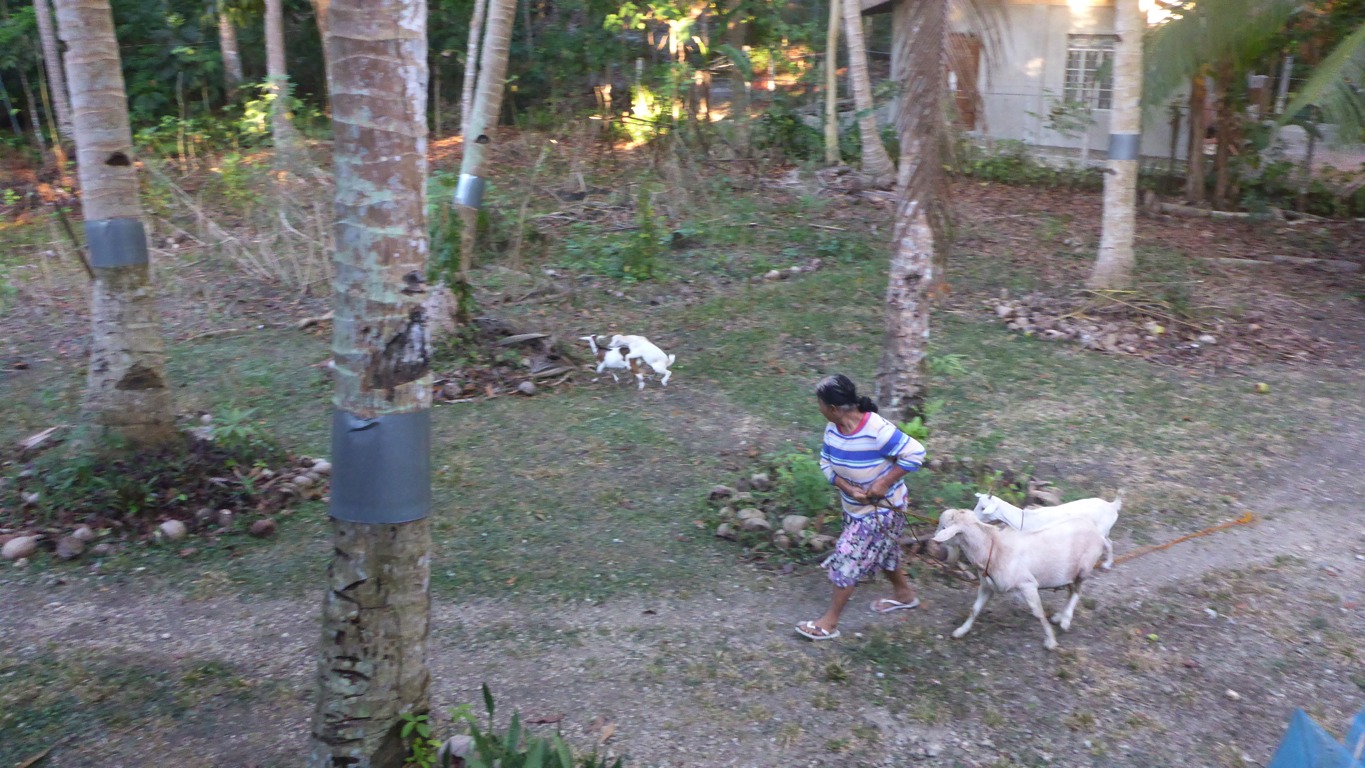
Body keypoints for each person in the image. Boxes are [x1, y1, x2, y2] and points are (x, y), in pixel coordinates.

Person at [796, 374, 926, 641]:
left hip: (884, 511)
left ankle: (829, 623)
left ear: (832, 408)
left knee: (847, 558)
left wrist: (882, 483)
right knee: (886, 551)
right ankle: (904, 595)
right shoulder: (833, 428)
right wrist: (847, 487)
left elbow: (916, 453)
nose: (817, 407)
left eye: (819, 403)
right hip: (854, 508)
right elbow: (825, 463)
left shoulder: (877, 429)